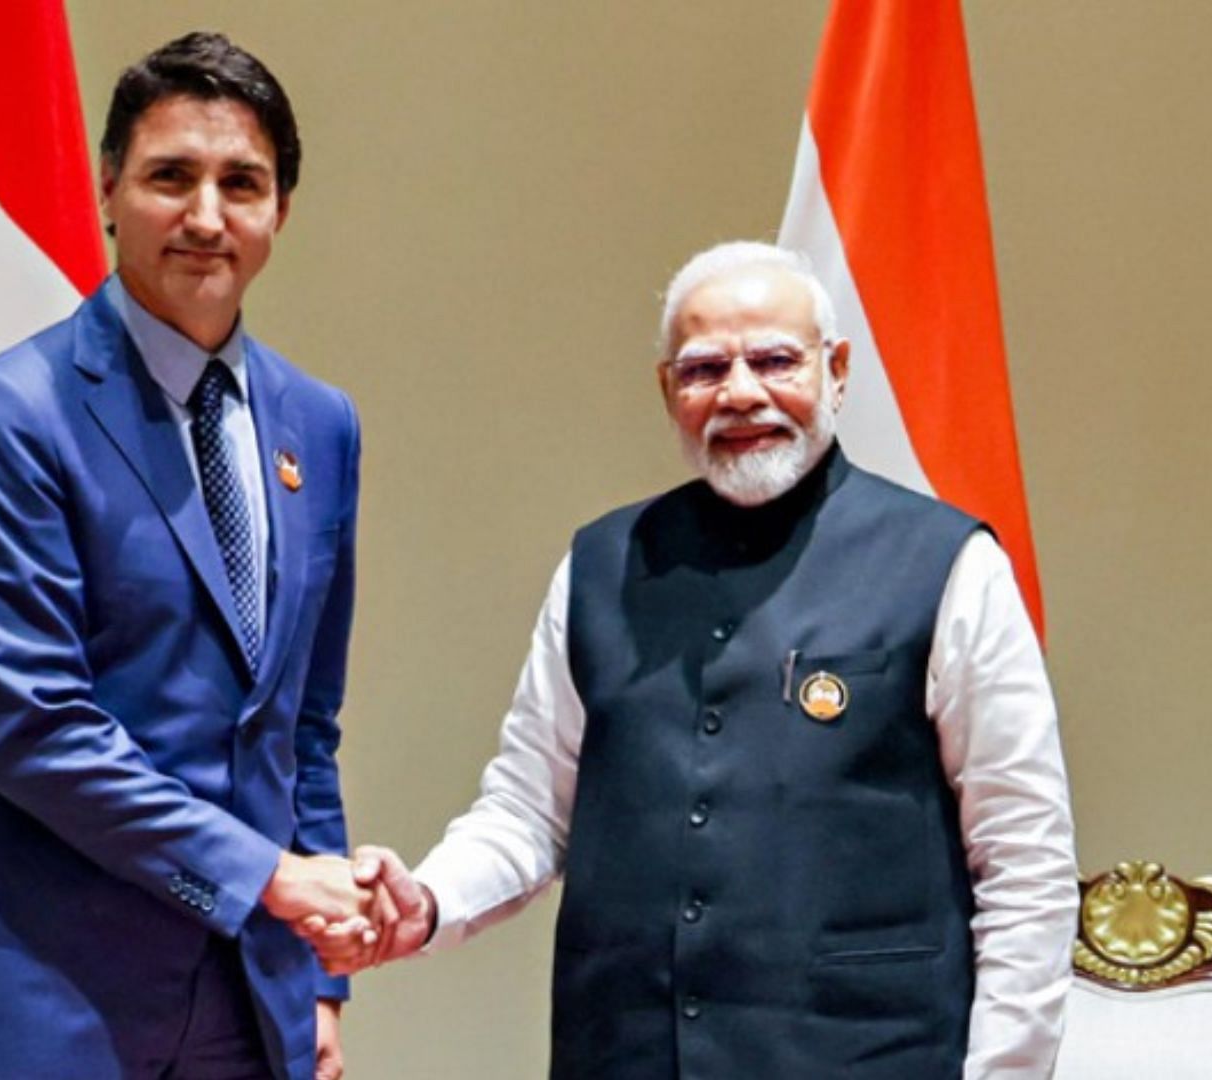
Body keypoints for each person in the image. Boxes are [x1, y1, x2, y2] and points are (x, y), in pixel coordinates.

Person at [316, 242, 1079, 1078]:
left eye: (775, 360)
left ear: (838, 371)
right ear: (668, 391)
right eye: (705, 368)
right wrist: (427, 903)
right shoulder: (602, 564)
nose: (741, 391)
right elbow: (528, 810)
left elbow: (1024, 862)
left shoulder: (948, 564)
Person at [0, 32, 370, 1080]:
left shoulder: (321, 427)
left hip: (250, 1005)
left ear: (281, 211)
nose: (206, 216)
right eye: (169, 177)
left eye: (242, 182)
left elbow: (302, 727)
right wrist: (270, 880)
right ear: (110, 191)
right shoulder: (8, 415)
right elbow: (33, 729)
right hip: (40, 1001)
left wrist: (319, 978)